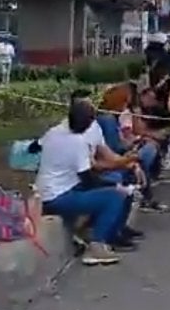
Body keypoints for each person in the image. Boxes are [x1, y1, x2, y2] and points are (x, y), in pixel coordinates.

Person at [35, 98, 135, 265]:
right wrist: (116, 187)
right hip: (58, 198)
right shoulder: (78, 142)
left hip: (44, 191)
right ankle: (97, 246)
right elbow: (88, 180)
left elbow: (35, 146)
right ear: (90, 123)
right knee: (114, 197)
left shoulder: (53, 132)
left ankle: (88, 231)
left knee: (109, 187)